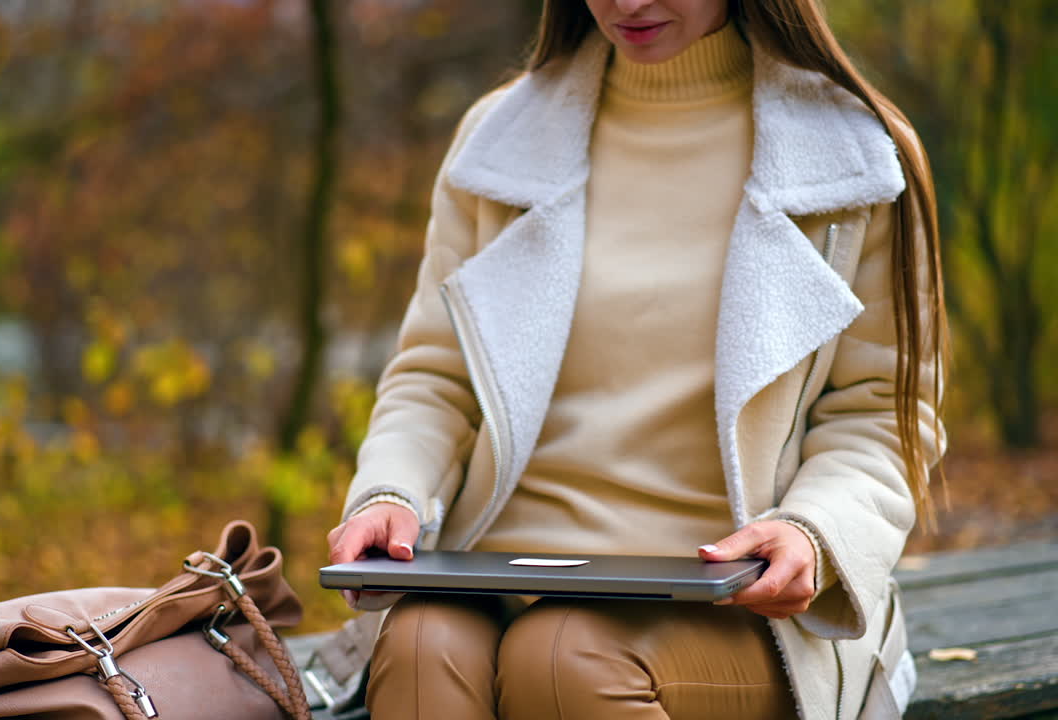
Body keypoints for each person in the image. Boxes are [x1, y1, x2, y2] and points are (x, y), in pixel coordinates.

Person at [324, 0, 946, 718]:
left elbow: (881, 414)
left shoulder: (856, 153)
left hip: (740, 609)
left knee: (563, 657)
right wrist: (388, 494)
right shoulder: (498, 139)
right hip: (495, 574)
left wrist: (814, 532)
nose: (627, 3)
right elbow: (435, 379)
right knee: (420, 644)